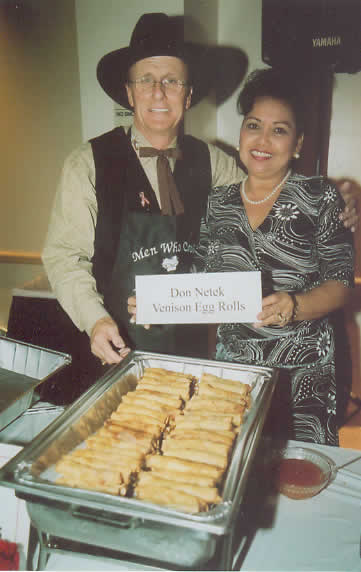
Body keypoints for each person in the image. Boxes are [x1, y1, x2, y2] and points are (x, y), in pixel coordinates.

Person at [42, 13, 357, 393]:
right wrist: (96, 321)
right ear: (129, 92)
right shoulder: (86, 163)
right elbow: (63, 257)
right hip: (112, 352)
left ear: (188, 95)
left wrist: (342, 196)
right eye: (146, 80)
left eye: (172, 81)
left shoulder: (215, 162)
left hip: (192, 359)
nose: (158, 93)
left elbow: (272, 191)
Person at [196, 67, 354, 445]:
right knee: (236, 465)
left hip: (303, 371)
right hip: (234, 370)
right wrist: (156, 305)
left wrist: (295, 305)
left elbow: (341, 283)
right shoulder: (217, 203)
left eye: (279, 130)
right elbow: (199, 277)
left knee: (298, 475)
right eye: (254, 125)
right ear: (241, 134)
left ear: (297, 144)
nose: (263, 139)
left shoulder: (320, 197)